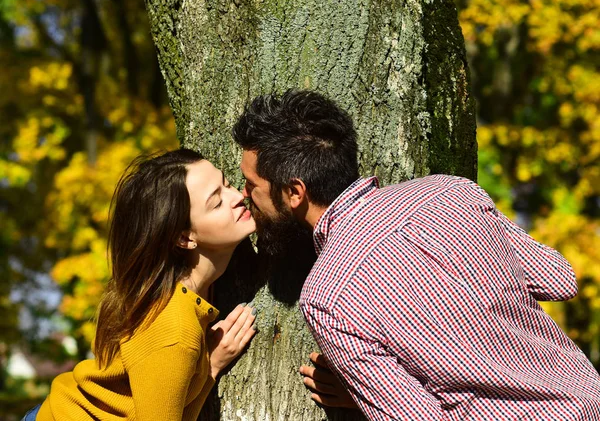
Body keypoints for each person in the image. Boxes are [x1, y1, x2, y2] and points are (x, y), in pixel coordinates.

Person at [232, 89, 600, 420]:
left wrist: (368, 393)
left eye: (253, 185)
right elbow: (559, 278)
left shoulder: (329, 298)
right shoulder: (451, 193)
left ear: (295, 193)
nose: (246, 194)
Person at [28, 149, 257, 421]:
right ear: (184, 238)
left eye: (227, 184)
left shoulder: (175, 290)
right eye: (217, 202)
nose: (238, 197)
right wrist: (210, 369)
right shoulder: (174, 330)